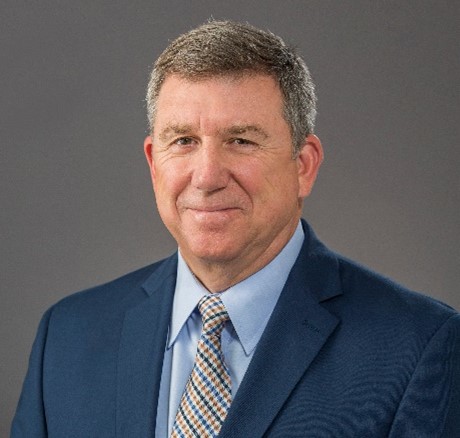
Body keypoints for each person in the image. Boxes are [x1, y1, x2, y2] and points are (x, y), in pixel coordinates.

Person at [11, 20, 460, 438]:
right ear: (153, 163)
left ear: (303, 166)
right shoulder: (68, 337)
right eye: (184, 141)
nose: (207, 176)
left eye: (241, 141)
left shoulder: (421, 347)